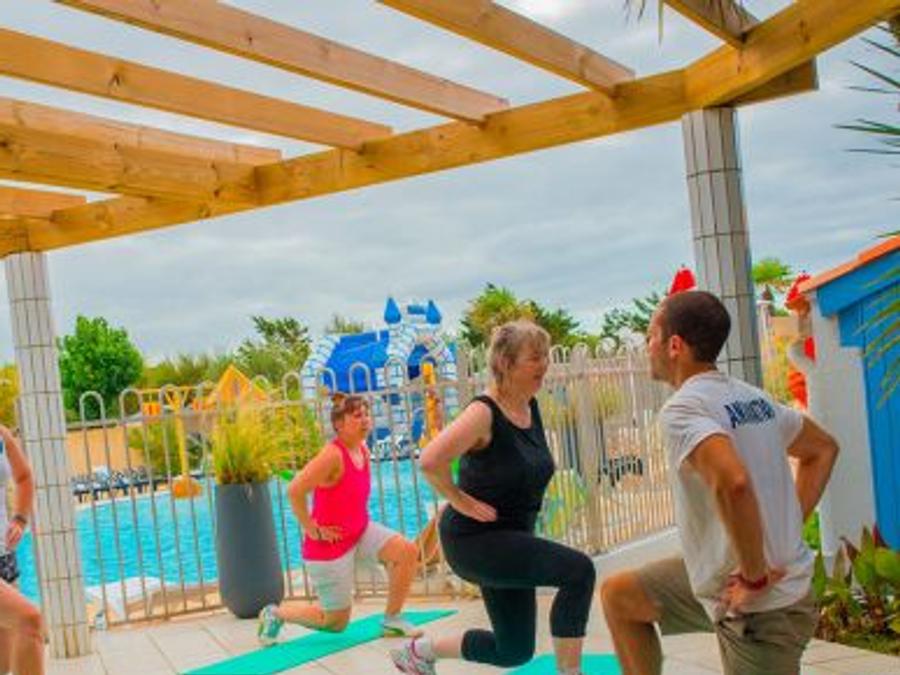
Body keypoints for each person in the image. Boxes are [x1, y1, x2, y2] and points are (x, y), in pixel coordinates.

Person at [600, 291, 839, 675]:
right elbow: (822, 449)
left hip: (766, 609)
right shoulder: (753, 399)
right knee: (620, 596)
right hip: (724, 581)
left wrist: (754, 576)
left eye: (650, 337)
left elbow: (733, 482)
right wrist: (784, 530)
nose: (647, 347)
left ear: (674, 346)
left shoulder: (683, 410)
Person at [391, 320, 596, 675]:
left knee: (512, 650)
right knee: (579, 571)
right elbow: (430, 460)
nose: (544, 364)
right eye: (535, 357)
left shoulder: (530, 407)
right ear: (506, 363)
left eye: (546, 356)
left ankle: (419, 652)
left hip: (511, 537)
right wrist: (459, 500)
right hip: (474, 540)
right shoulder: (483, 412)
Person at [257, 394, 423, 643]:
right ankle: (275, 613)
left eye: (366, 414)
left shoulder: (363, 450)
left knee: (406, 551)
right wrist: (311, 528)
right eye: (357, 416)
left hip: (360, 532)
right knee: (335, 623)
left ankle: (392, 620)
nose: (365, 420)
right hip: (329, 547)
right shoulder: (332, 455)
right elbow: (295, 490)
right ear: (339, 424)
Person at [0, 424, 44, 675]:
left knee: (3, 663)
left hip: (4, 558)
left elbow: (24, 477)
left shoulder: (1, 434)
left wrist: (19, 518)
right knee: (29, 621)